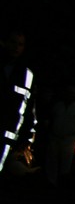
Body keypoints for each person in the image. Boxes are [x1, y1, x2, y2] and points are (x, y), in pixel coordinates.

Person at [0, 28, 36, 179]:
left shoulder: (27, 75)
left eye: (20, 44)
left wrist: (25, 139)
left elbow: (29, 109)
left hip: (8, 138)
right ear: (4, 43)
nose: (16, 47)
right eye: (13, 42)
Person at [44, 84, 75, 187]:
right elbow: (51, 120)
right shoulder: (58, 106)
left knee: (66, 164)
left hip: (69, 139)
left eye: (72, 93)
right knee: (52, 161)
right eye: (69, 93)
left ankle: (62, 183)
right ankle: (51, 182)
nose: (70, 95)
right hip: (55, 137)